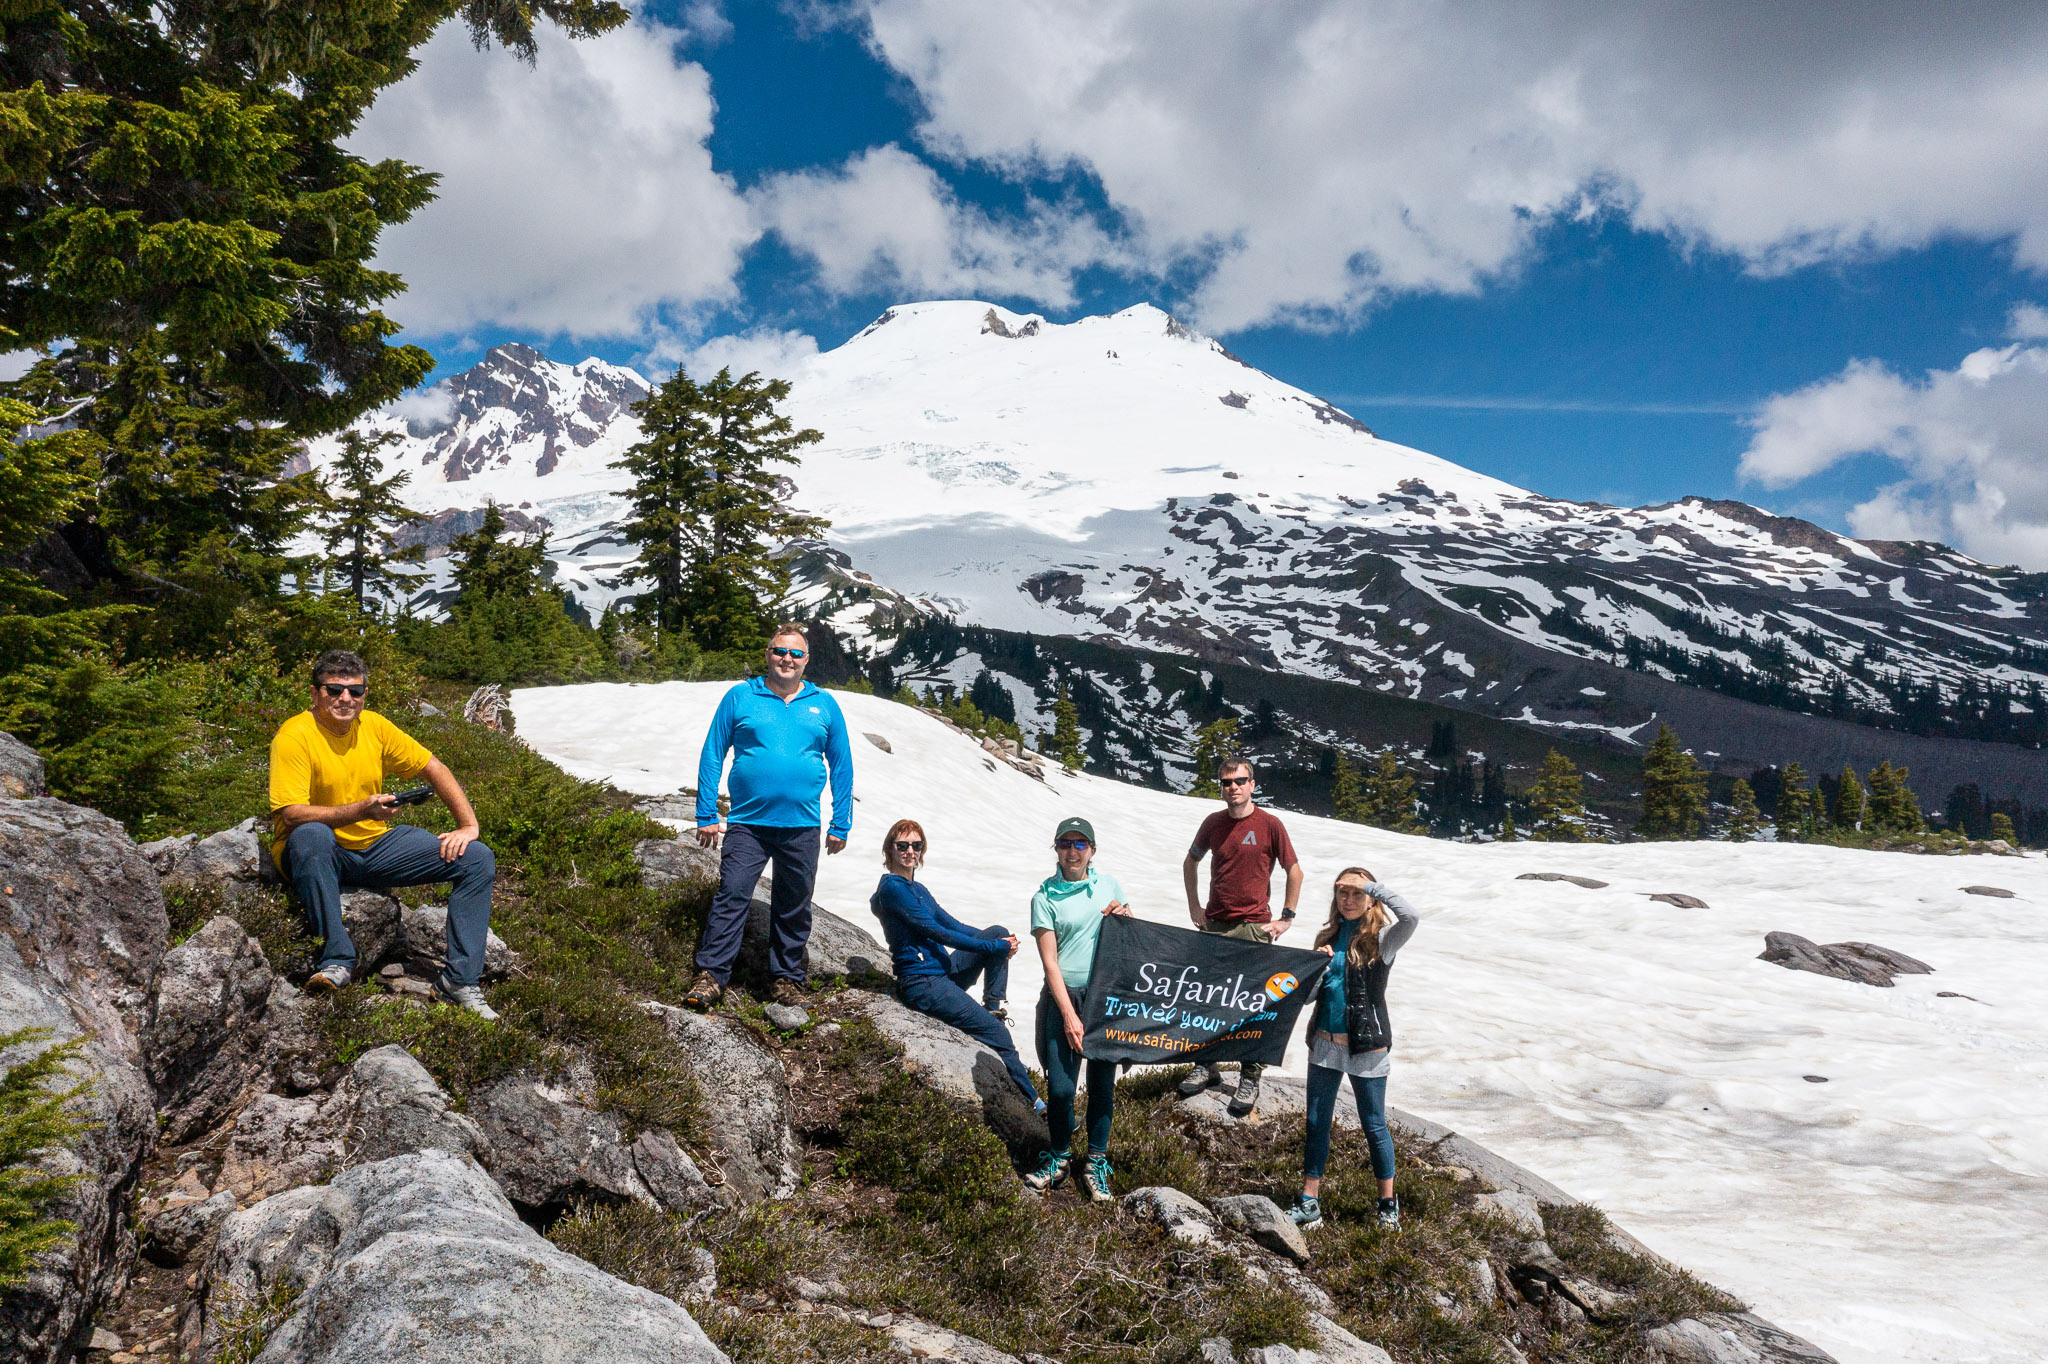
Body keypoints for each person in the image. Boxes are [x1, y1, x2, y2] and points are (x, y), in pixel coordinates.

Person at [269, 649, 500, 1020]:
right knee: (311, 834)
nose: (346, 699)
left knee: (476, 858)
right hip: (316, 852)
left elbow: (434, 767)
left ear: (364, 694)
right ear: (315, 694)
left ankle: (459, 981)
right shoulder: (294, 735)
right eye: (334, 689)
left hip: (373, 846)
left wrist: (468, 826)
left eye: (355, 691)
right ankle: (336, 961)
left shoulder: (375, 726)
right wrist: (362, 809)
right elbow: (292, 814)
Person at [686, 624, 854, 1012]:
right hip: (748, 822)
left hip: (802, 825)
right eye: (780, 651)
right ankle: (711, 975)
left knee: (795, 903)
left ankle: (786, 980)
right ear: (768, 654)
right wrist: (706, 812)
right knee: (732, 895)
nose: (787, 659)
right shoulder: (741, 696)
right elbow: (714, 752)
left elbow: (841, 765)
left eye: (796, 654)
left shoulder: (823, 703)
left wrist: (841, 821)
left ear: (806, 660)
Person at [870, 818, 1041, 1109]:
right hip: (922, 983)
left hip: (942, 975)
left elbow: (953, 924)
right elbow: (937, 932)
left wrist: (1001, 944)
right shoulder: (893, 889)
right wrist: (991, 948)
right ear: (890, 850)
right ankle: (1035, 1104)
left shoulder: (918, 888)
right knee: (998, 1035)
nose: (910, 851)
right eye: (903, 846)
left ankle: (993, 1006)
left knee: (998, 930)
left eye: (916, 845)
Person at [1289, 867, 1419, 1232]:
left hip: (1367, 1046)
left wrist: (1372, 885)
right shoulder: (1327, 936)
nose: (1349, 900)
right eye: (1343, 893)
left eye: (1357, 893)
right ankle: (1309, 1202)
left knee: (1374, 1124)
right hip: (1325, 1044)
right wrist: (1317, 967)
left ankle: (1387, 1205)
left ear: (1370, 898)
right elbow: (1306, 998)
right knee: (1316, 1122)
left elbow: (1412, 915)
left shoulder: (1384, 939)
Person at [1178, 756, 1303, 1115]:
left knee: (1253, 1004)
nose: (1232, 787)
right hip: (1215, 925)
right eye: (1226, 782)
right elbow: (1191, 862)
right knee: (1208, 998)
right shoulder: (1213, 823)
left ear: (1252, 783)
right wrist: (1194, 907)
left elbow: (1294, 871)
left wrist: (1286, 918)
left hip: (1253, 926)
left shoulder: (1269, 824)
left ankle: (1251, 1075)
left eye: (1239, 780)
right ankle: (1207, 1064)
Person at [1024, 816, 1130, 1202]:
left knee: (1103, 1085)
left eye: (1080, 844)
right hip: (1063, 997)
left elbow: (1131, 938)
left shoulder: (1109, 886)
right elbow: (1050, 963)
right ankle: (1060, 1156)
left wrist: (1124, 915)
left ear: (1092, 850)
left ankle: (1096, 1161)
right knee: (1062, 1088)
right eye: (1066, 843)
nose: (1073, 850)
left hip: (1104, 998)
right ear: (1057, 849)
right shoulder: (1045, 898)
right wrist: (1068, 1014)